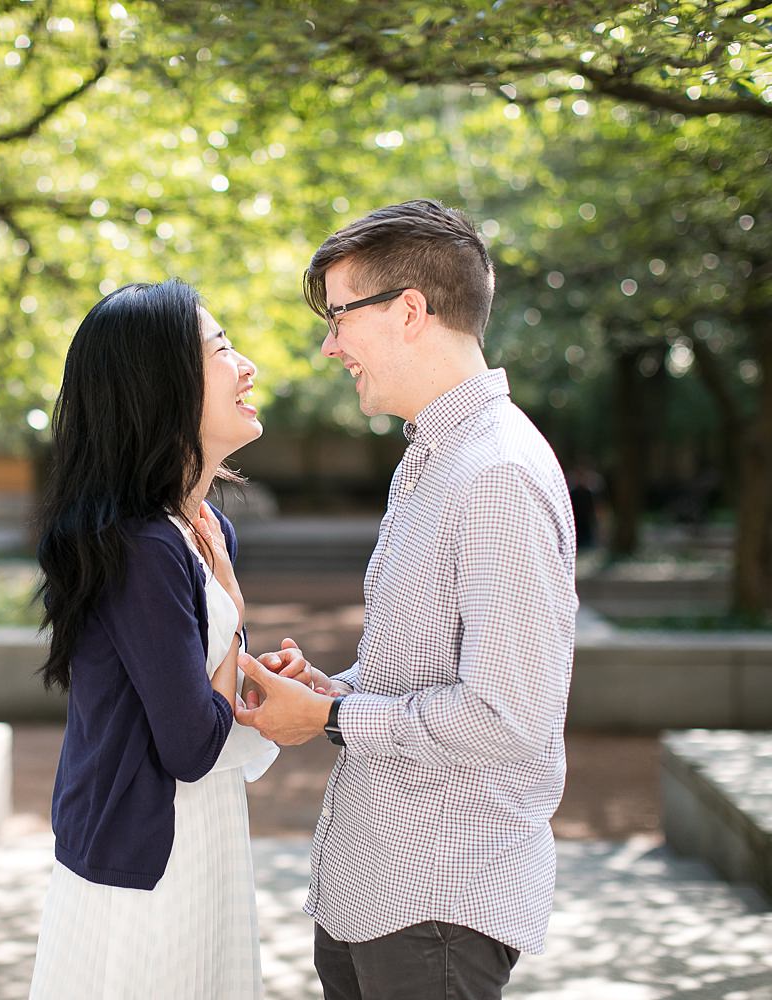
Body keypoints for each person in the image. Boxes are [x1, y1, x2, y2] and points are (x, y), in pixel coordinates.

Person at [235, 199, 579, 1000]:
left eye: (339, 316)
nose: (329, 346)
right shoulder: (432, 456)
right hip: (376, 886)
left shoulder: (497, 474)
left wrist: (326, 721)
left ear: (411, 311)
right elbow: (427, 666)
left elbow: (508, 717)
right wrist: (336, 689)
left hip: (439, 904)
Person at [27, 279, 278, 999]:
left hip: (201, 837)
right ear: (160, 383)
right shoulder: (143, 546)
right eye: (222, 348)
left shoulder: (201, 532)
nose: (247, 365)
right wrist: (231, 604)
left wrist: (262, 677)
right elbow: (193, 745)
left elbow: (210, 696)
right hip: (148, 867)